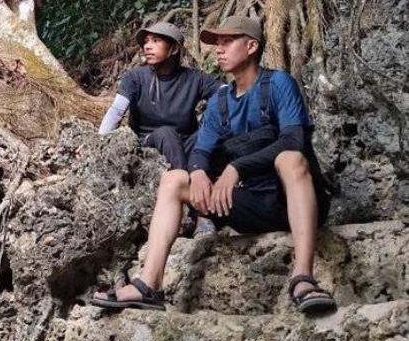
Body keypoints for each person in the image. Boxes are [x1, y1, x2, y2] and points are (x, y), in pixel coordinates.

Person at [92, 16, 336, 314]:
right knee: (175, 180)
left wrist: (236, 169)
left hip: (295, 201)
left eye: (227, 42)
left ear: (250, 46)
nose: (218, 50)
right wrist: (197, 174)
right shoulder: (221, 104)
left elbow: (294, 139)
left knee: (290, 158)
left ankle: (303, 278)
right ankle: (148, 285)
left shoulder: (278, 84)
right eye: (216, 44)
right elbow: (201, 150)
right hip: (251, 207)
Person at [99, 21, 222, 237]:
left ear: (173, 48)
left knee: (209, 136)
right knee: (167, 133)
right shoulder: (136, 77)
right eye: (146, 41)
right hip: (148, 143)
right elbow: (117, 111)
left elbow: (227, 95)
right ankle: (199, 212)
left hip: (186, 143)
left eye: (156, 41)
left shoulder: (194, 78)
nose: (147, 46)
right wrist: (98, 145)